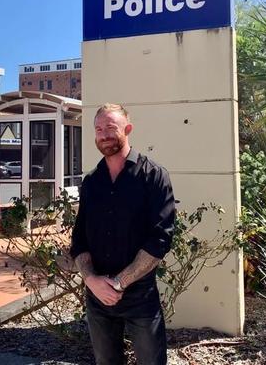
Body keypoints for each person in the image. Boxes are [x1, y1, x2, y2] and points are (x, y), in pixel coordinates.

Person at [70, 103, 176, 365]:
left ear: (127, 129)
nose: (104, 134)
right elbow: (79, 238)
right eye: (98, 129)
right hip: (97, 296)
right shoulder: (92, 182)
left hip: (140, 295)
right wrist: (92, 280)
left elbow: (160, 238)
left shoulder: (153, 176)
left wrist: (119, 283)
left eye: (110, 127)